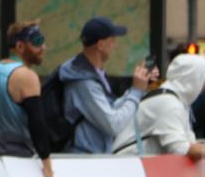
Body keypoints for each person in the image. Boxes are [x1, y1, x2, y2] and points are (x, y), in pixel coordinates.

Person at [0, 20, 58, 177]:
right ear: (20, 46)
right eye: (36, 42)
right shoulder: (26, 76)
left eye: (42, 40)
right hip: (17, 162)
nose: (43, 46)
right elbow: (37, 124)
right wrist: (48, 167)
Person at [113, 53, 205, 160]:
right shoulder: (168, 103)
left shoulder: (177, 100)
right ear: (194, 78)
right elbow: (179, 148)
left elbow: (189, 141)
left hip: (136, 166)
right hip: (127, 166)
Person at [61, 16, 157, 153]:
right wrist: (136, 91)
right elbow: (113, 125)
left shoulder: (93, 74)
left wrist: (138, 87)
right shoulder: (84, 82)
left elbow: (110, 109)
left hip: (93, 157)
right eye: (112, 41)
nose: (114, 45)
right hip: (84, 159)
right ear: (100, 45)